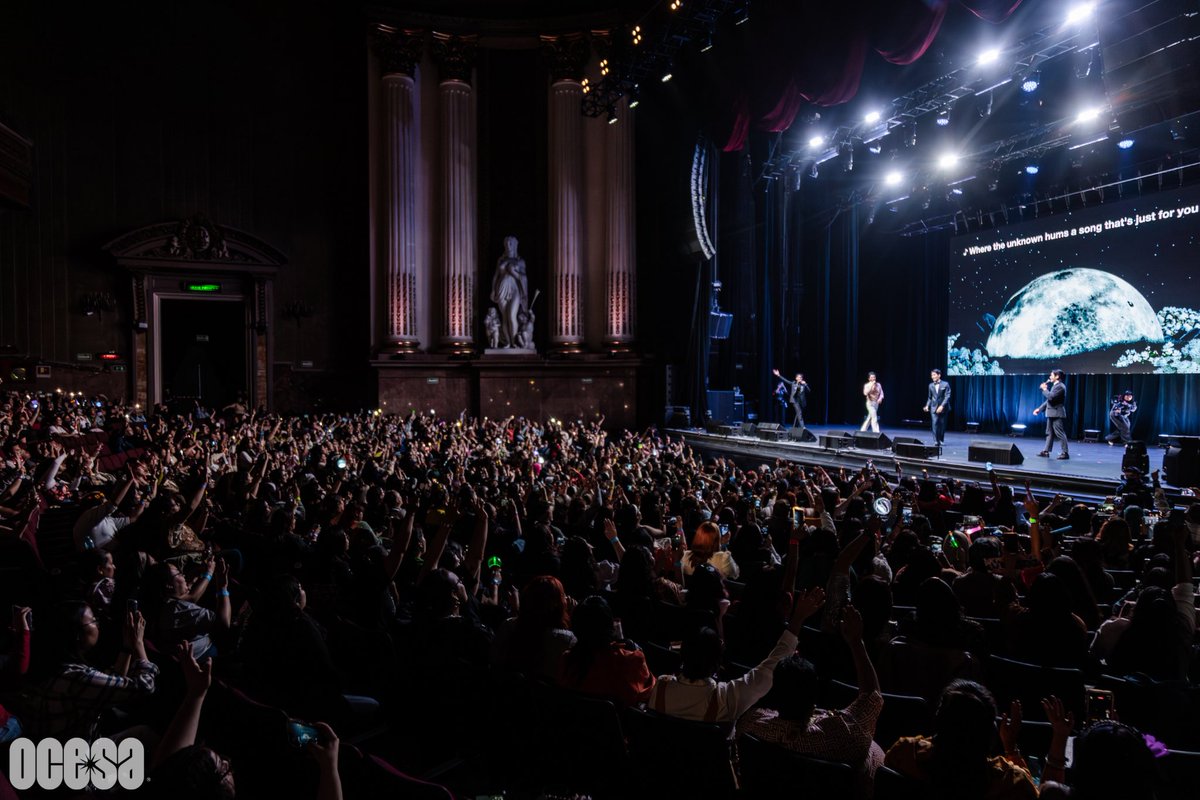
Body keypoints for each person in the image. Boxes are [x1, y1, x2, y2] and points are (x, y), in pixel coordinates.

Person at [490, 235, 529, 349]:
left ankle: (514, 341)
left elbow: (524, 278)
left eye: (511, 243)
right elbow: (496, 276)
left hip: (515, 289)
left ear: (515, 245)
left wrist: (513, 272)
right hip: (501, 288)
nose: (508, 245)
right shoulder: (501, 260)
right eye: (506, 243)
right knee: (505, 317)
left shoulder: (520, 261)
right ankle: (507, 342)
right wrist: (493, 290)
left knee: (512, 316)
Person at [1034, 369, 1069, 460]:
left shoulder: (1060, 386)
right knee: (1049, 433)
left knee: (1060, 433)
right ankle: (1046, 451)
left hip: (1057, 413)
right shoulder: (1055, 386)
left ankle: (1065, 453)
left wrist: (1045, 389)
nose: (1050, 377)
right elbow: (1049, 400)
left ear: (1057, 376)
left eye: (1051, 375)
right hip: (1051, 413)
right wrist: (1039, 409)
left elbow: (1051, 397)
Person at [923, 369, 951, 446]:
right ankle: (936, 441)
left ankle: (941, 439)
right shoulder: (930, 385)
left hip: (943, 408)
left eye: (934, 375)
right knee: (934, 424)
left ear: (939, 375)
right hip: (933, 407)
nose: (933, 377)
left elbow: (947, 396)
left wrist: (942, 406)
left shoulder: (945, 384)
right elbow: (930, 397)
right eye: (932, 375)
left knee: (942, 424)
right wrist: (927, 405)